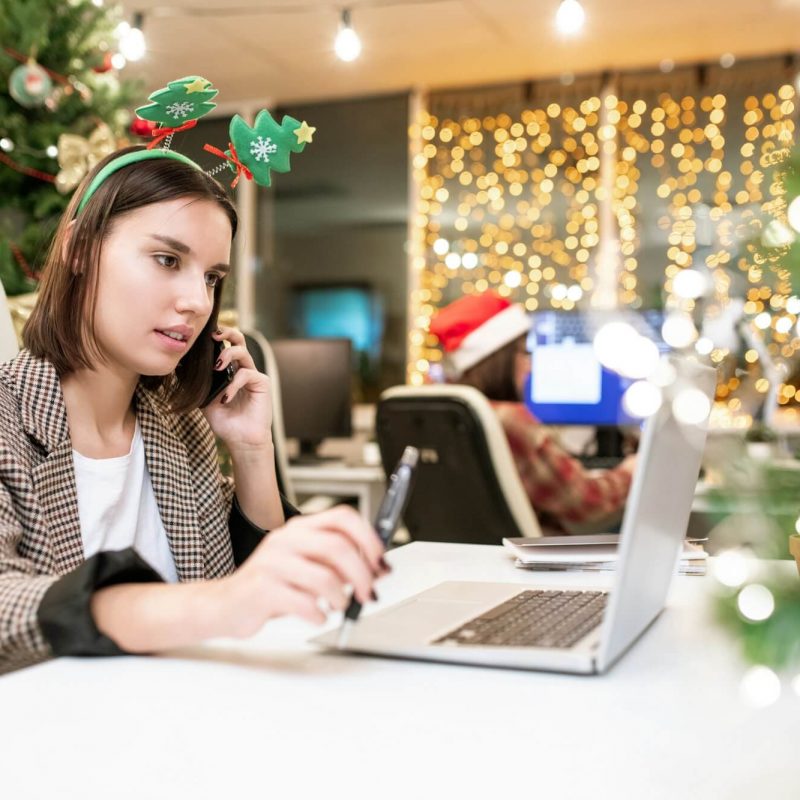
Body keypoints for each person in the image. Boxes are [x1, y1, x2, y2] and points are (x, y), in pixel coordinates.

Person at [0, 146, 387, 674]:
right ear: (79, 250)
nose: (198, 303)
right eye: (167, 260)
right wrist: (219, 604)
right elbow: (8, 605)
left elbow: (259, 609)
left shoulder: (179, 427)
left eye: (210, 277)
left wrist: (251, 449)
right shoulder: (10, 417)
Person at [430, 292, 636, 533]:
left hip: (472, 559)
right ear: (499, 360)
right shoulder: (509, 420)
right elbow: (585, 502)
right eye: (523, 353)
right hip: (530, 560)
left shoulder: (444, 412)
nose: (529, 365)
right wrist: (632, 471)